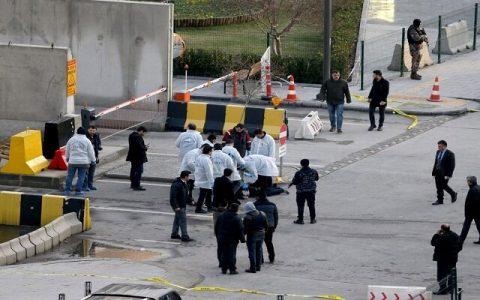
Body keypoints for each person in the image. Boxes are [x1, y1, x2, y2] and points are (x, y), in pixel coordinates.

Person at [64, 127, 96, 196]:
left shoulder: (71, 140)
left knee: (70, 176)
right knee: (81, 177)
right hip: (84, 162)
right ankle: (78, 191)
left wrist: (67, 157)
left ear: (77, 132)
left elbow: (67, 149)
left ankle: (67, 190)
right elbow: (91, 152)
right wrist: (93, 160)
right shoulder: (87, 140)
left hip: (72, 161)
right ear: (84, 133)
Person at [215, 203, 245, 275]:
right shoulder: (237, 218)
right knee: (231, 254)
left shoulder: (221, 216)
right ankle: (232, 269)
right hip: (232, 239)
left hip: (222, 237)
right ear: (236, 209)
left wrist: (218, 236)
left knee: (224, 253)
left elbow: (216, 227)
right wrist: (242, 239)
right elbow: (240, 229)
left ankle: (224, 268)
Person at [431, 224, 461, 295]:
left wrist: (436, 234)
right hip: (452, 258)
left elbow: (433, 243)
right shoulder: (455, 235)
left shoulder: (441, 237)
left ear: (442, 229)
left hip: (442, 259)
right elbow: (460, 245)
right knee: (451, 273)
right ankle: (451, 289)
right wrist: (455, 253)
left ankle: (443, 289)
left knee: (441, 274)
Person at [289, 159, 319, 224]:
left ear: (301, 164)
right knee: (311, 205)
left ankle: (300, 220)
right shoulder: (314, 171)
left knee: (300, 205)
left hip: (301, 192)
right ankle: (312, 219)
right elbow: (316, 179)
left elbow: (295, 182)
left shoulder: (298, 173)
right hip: (311, 191)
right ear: (308, 164)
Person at [243, 202, 268, 273]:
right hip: (261, 234)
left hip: (252, 235)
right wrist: (264, 232)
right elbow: (266, 225)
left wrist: (241, 236)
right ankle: (258, 266)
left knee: (252, 251)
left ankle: (253, 268)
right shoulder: (262, 214)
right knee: (259, 250)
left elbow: (245, 229)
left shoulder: (248, 217)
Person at [254, 190, 278, 263]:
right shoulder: (272, 205)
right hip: (270, 226)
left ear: (258, 197)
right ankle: (272, 257)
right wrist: (274, 226)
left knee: (258, 244)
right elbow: (276, 217)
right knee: (269, 242)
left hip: (258, 227)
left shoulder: (255, 206)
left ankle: (260, 259)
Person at [170, 171, 194, 242]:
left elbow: (185, 194)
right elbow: (173, 197)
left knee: (177, 220)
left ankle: (174, 234)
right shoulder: (177, 184)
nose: (189, 178)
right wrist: (176, 206)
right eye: (188, 176)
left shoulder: (183, 183)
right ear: (185, 177)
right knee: (183, 221)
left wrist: (190, 201)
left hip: (181, 205)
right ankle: (184, 236)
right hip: (179, 206)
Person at [432, 140, 457, 205]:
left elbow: (452, 165)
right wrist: (433, 172)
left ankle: (453, 194)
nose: (438, 148)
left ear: (444, 146)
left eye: (440, 146)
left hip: (445, 174)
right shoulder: (438, 152)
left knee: (443, 186)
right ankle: (440, 200)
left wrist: (449, 175)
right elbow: (436, 162)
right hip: (437, 172)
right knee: (438, 187)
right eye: (438, 146)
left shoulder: (450, 154)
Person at [459, 176, 480, 246]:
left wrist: (467, 213)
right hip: (477, 212)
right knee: (479, 225)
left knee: (466, 226)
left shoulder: (472, 190)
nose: (467, 182)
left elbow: (470, 204)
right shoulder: (478, 187)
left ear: (470, 182)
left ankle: (460, 240)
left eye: (468, 181)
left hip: (472, 212)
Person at [126, 126, 148, 191]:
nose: (144, 134)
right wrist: (145, 148)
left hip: (133, 157)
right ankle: (136, 185)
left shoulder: (132, 135)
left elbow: (136, 146)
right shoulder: (137, 137)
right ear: (141, 131)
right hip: (138, 157)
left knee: (133, 170)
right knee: (139, 171)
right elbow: (139, 147)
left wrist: (143, 146)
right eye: (144, 132)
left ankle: (133, 184)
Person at [194, 145, 214, 213]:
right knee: (203, 195)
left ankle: (209, 207)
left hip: (200, 178)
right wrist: (212, 181)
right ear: (209, 151)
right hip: (205, 180)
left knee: (207, 194)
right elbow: (209, 171)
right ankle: (198, 208)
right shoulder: (206, 159)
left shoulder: (199, 157)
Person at [83, 125, 102, 192]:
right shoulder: (85, 137)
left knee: (91, 172)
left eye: (93, 131)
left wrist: (97, 156)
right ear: (88, 130)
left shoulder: (96, 136)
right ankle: (85, 186)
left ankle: (90, 185)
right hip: (87, 157)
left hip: (94, 156)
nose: (92, 132)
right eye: (90, 130)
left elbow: (98, 145)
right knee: (86, 172)